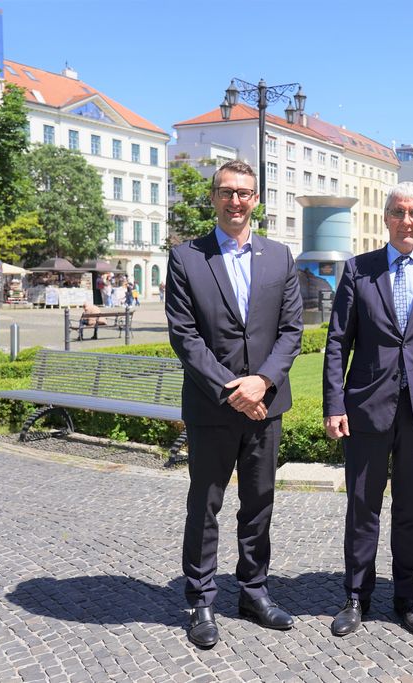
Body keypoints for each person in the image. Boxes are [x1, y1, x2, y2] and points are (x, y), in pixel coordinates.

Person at [322, 182, 413, 638]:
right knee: (362, 505)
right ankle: (356, 596)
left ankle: (407, 597)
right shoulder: (357, 270)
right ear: (385, 218)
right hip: (366, 406)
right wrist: (333, 403)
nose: (407, 221)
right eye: (398, 212)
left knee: (410, 507)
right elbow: (336, 343)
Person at [165, 160, 303, 649]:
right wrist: (231, 389)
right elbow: (185, 336)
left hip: (266, 404)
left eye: (245, 193)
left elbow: (291, 331)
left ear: (256, 200)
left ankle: (253, 591)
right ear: (214, 198)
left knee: (259, 503)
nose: (236, 201)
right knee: (205, 504)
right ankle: (201, 598)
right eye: (227, 192)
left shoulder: (280, 257)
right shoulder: (186, 257)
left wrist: (261, 382)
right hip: (212, 406)